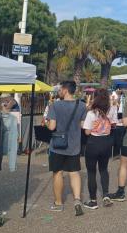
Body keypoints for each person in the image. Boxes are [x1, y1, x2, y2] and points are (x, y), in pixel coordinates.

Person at [46, 81, 87, 216]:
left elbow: (52, 127)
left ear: (65, 90)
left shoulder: (55, 105)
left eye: (60, 89)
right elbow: (82, 125)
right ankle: (77, 200)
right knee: (74, 172)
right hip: (74, 145)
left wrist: (45, 122)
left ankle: (58, 203)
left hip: (57, 145)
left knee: (57, 173)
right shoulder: (81, 106)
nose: (59, 91)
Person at [82, 89, 117, 210]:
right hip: (106, 142)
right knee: (103, 169)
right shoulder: (111, 110)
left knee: (91, 172)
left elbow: (86, 132)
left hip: (93, 142)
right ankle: (106, 195)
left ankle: (93, 201)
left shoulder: (91, 113)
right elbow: (114, 124)